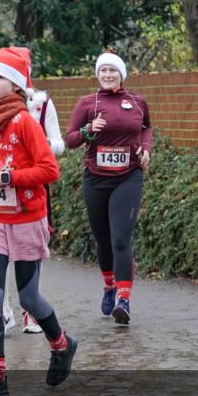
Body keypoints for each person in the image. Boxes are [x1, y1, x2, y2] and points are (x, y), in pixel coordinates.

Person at [0, 46, 75, 396]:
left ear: (14, 83)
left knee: (29, 296)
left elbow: (49, 170)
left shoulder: (24, 121)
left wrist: (7, 177)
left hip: (27, 219)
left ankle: (61, 344)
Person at [64, 52, 153, 325]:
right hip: (95, 177)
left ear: (121, 74)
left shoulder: (137, 102)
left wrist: (146, 149)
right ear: (97, 74)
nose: (107, 75)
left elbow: (147, 128)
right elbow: (70, 140)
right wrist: (89, 130)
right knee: (103, 240)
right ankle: (109, 286)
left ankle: (123, 300)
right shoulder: (87, 103)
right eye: (102, 70)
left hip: (128, 176)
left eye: (112, 70)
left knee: (120, 240)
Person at [2, 72, 66, 335]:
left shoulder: (40, 103)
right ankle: (3, 312)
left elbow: (60, 144)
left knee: (29, 252)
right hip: (0, 188)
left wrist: (39, 144)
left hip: (31, 187)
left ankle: (30, 312)